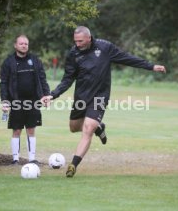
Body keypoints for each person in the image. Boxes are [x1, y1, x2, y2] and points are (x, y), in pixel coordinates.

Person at [43, 26, 166, 177]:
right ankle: (99, 127)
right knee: (74, 127)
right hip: (81, 96)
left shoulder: (105, 47)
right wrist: (53, 95)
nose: (78, 44)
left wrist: (151, 66)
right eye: (75, 41)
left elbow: (127, 58)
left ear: (89, 38)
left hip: (100, 96)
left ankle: (73, 165)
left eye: (80, 41)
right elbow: (68, 79)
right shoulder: (73, 53)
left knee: (88, 129)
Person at [0, 34, 50, 165]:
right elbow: (3, 82)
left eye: (26, 44)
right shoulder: (8, 62)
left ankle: (32, 158)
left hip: (33, 101)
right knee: (16, 130)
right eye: (21, 43)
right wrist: (4, 100)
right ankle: (15, 159)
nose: (24, 45)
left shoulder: (35, 60)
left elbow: (42, 79)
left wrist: (46, 95)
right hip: (16, 101)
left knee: (31, 129)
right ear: (15, 45)